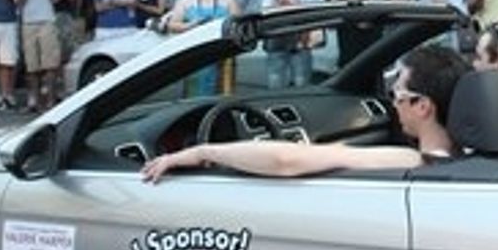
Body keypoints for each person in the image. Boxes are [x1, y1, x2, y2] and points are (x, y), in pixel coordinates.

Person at [141, 44, 471, 180]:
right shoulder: (473, 154)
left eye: (397, 94)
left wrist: (200, 152)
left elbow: (286, 160)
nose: (393, 103)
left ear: (423, 106)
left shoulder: (415, 162)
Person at [167, 0, 243, 96]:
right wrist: (190, 26)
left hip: (223, 56)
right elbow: (172, 25)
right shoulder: (187, 0)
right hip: (196, 56)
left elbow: (239, 24)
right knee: (195, 94)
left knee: (223, 94)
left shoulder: (228, 0)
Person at [261, 0, 323, 91]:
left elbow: (319, 13)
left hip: (301, 41)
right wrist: (276, 2)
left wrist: (294, 2)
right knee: (275, 81)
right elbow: (264, 14)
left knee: (302, 83)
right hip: (276, 42)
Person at [17, 0, 62, 112]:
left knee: (50, 63)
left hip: (46, 20)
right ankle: (33, 100)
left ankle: (50, 100)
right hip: (28, 21)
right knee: (31, 65)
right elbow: (20, 2)